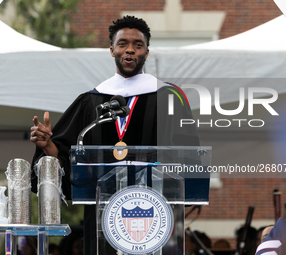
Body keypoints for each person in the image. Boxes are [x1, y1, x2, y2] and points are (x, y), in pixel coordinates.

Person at [30, 15, 199, 254]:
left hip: (155, 214)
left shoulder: (169, 97)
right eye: (123, 44)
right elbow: (69, 157)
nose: (130, 50)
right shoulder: (91, 101)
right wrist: (48, 146)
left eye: (137, 45)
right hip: (102, 217)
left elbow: (188, 156)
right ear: (112, 50)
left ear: (146, 53)